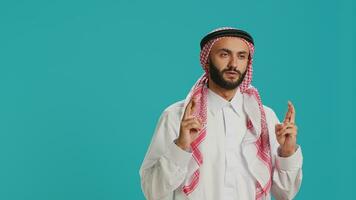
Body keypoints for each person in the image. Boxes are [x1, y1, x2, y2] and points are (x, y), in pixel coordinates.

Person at [139, 27, 303, 200]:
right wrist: (180, 146)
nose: (233, 64)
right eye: (224, 54)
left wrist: (287, 152)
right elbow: (153, 192)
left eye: (241, 56)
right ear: (207, 60)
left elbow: (285, 193)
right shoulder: (176, 117)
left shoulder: (265, 119)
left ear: (248, 62)